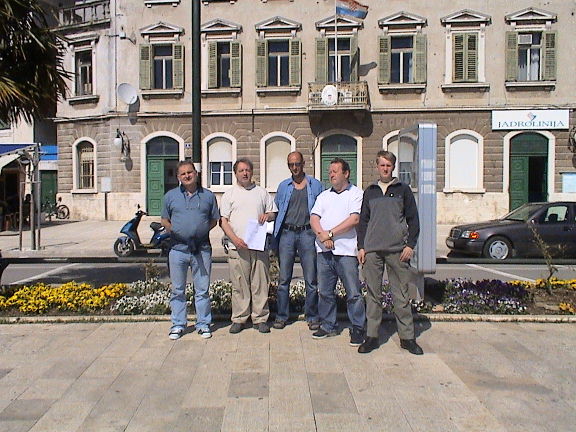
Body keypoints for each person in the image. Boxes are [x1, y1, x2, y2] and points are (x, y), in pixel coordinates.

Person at [356, 150, 423, 355]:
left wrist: (410, 245)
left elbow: (413, 220)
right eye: (382, 165)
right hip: (373, 251)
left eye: (388, 165)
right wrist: (361, 247)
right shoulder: (370, 191)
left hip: (397, 251)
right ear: (377, 166)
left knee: (401, 295)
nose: (385, 169)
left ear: (393, 167)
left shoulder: (403, 190)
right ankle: (372, 336)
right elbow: (363, 221)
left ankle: (407, 338)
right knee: (373, 296)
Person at [309, 158, 366, 346]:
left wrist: (330, 233)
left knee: (353, 293)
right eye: (330, 171)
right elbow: (314, 218)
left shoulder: (356, 194)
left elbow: (354, 219)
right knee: (325, 292)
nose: (331, 174)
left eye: (335, 171)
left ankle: (358, 328)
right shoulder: (324, 196)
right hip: (324, 252)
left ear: (346, 173)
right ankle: (328, 325)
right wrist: (322, 236)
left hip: (346, 253)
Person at [161, 160, 220, 340]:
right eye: (183, 173)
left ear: (196, 173)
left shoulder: (208, 196)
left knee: (202, 289)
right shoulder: (170, 196)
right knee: (177, 290)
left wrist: (200, 232)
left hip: (201, 249)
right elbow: (164, 220)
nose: (187, 176)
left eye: (190, 172)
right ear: (178, 177)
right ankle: (178, 325)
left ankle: (203, 324)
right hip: (178, 250)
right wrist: (178, 232)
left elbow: (214, 220)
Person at [220, 158, 277, 334]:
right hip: (237, 246)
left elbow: (273, 212)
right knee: (239, 285)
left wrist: (267, 216)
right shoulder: (229, 195)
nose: (245, 173)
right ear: (235, 173)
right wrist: (235, 239)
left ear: (252, 172)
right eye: (241, 170)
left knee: (260, 283)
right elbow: (223, 221)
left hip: (258, 246)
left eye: (247, 170)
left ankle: (260, 318)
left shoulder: (262, 192)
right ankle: (239, 318)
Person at [273, 151, 324, 330]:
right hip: (287, 234)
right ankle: (282, 316)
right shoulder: (283, 186)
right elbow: (276, 210)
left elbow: (323, 209)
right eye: (291, 165)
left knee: (311, 279)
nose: (294, 168)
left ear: (303, 164)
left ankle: (312, 316)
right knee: (284, 279)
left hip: (307, 233)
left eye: (297, 164)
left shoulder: (315, 185)